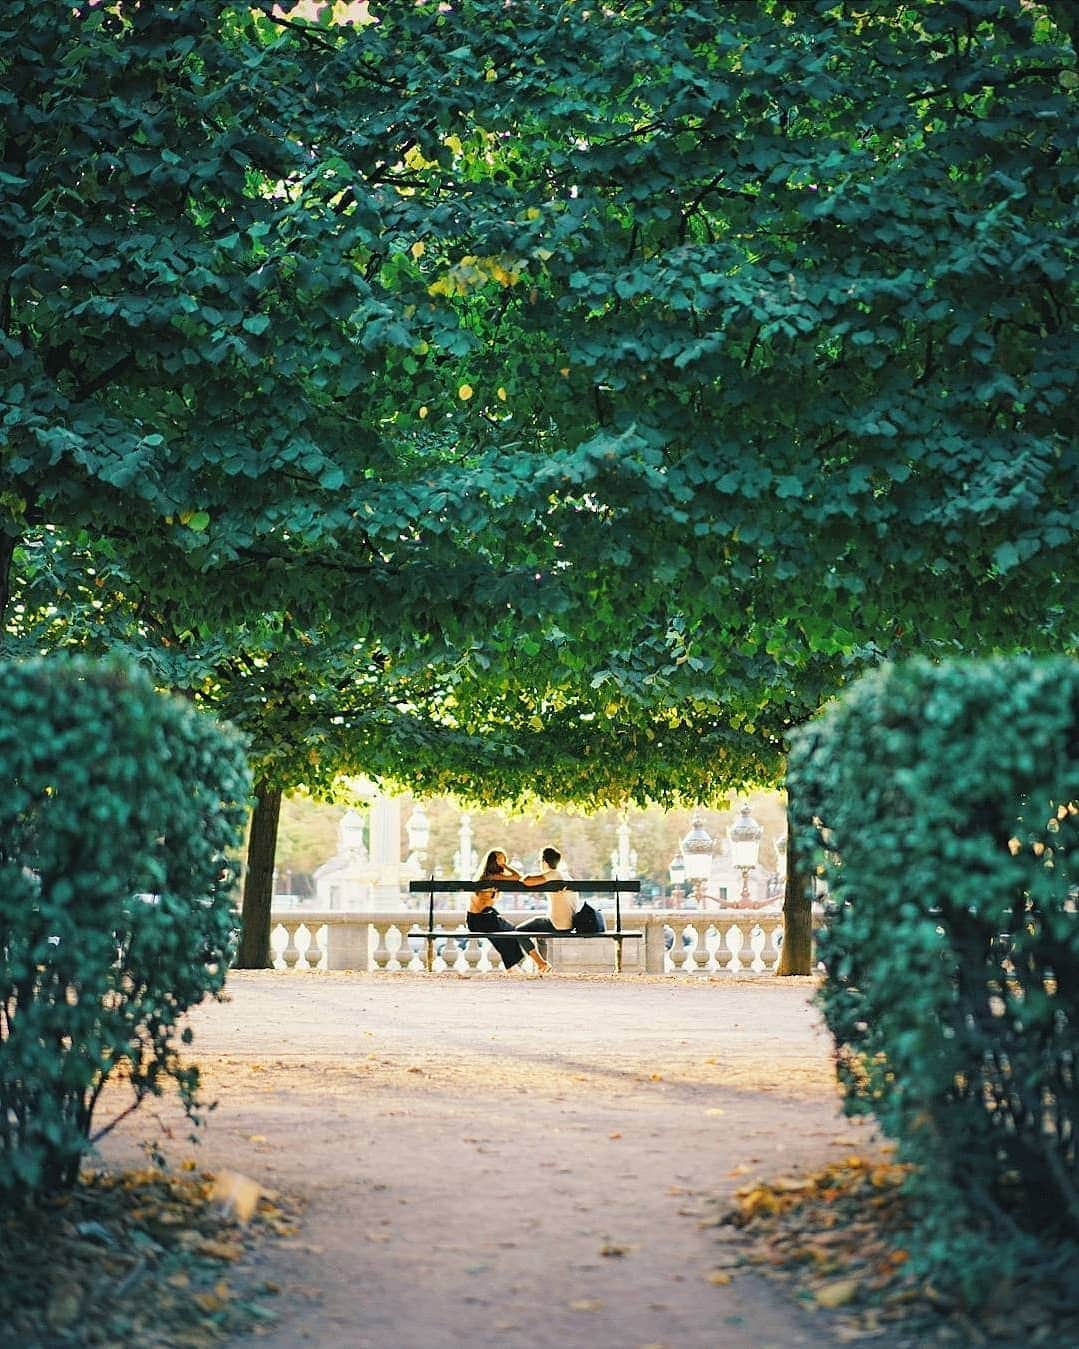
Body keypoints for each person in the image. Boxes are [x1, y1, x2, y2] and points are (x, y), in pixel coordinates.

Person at [466, 849, 552, 975]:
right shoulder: (489, 876)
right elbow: (486, 902)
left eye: (505, 859)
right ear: (493, 862)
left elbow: (518, 877)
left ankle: (517, 966)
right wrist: (504, 867)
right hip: (479, 919)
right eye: (500, 859)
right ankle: (516, 967)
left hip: (485, 916)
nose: (504, 861)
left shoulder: (495, 877)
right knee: (509, 935)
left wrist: (504, 866)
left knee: (513, 932)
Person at [517, 846, 576, 963]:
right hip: (570, 924)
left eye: (539, 861)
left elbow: (526, 880)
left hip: (557, 924)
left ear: (544, 861)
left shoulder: (553, 874)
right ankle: (543, 966)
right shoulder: (566, 876)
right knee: (540, 933)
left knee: (519, 931)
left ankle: (541, 964)